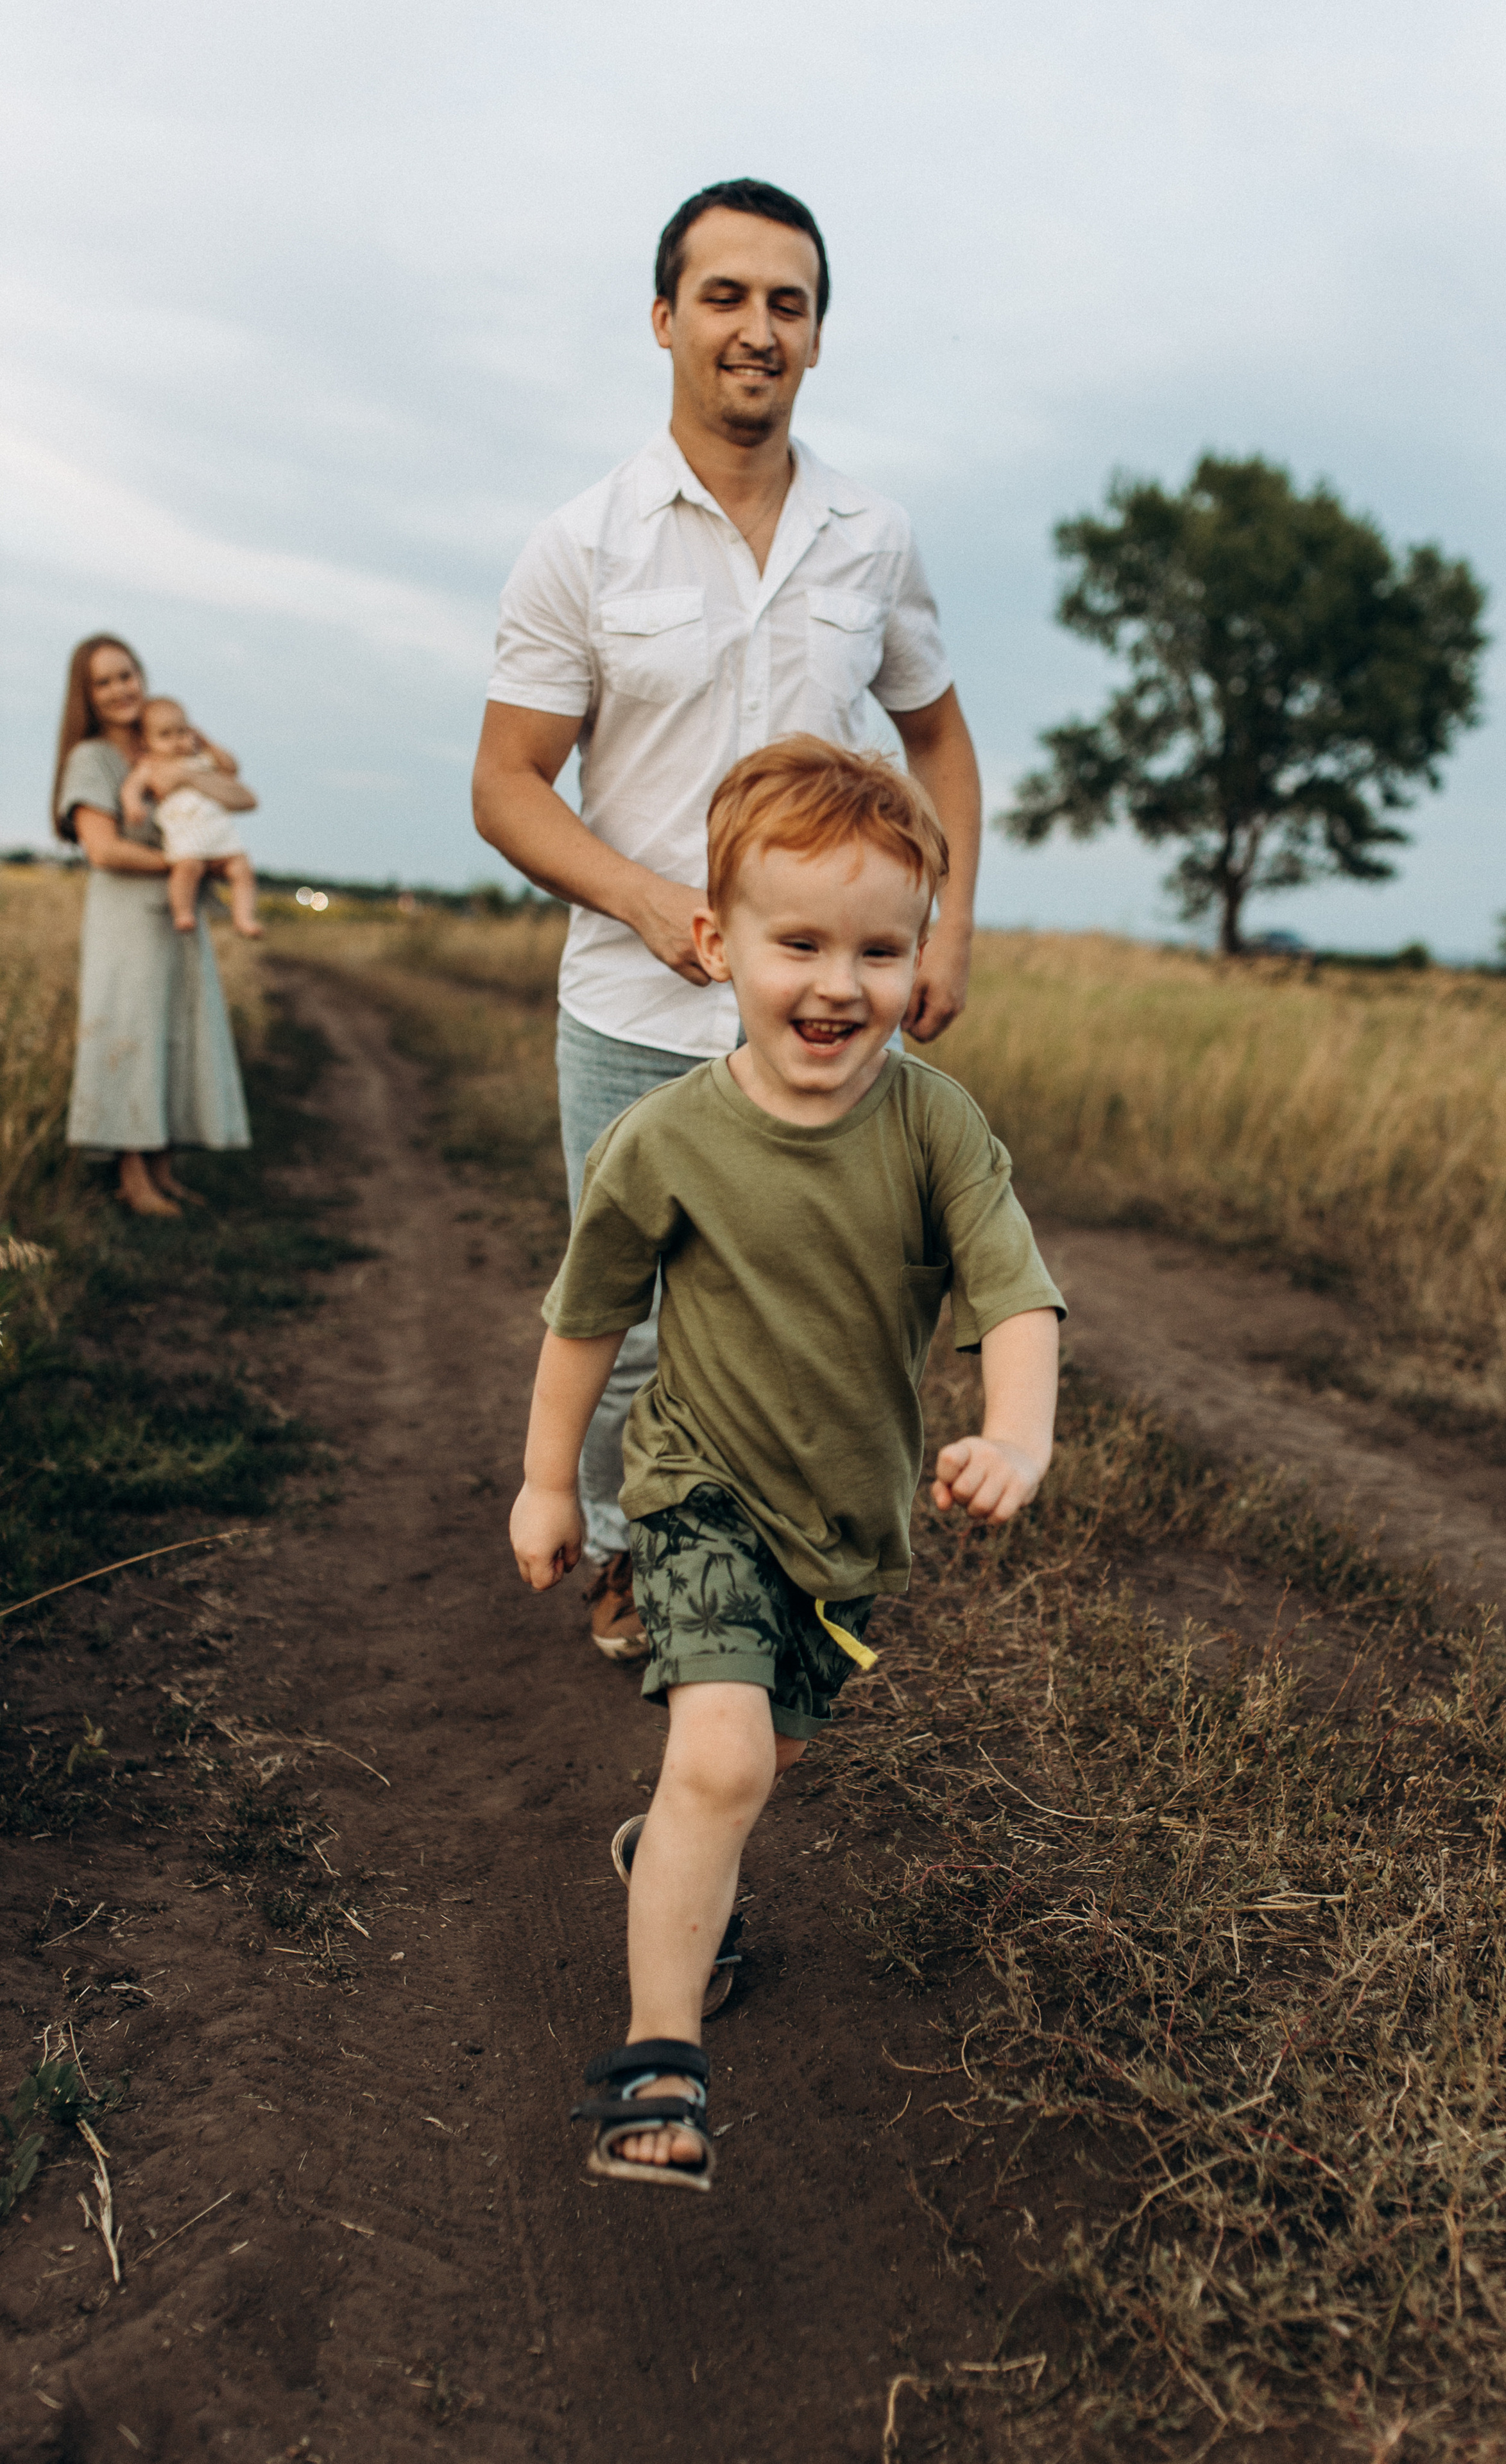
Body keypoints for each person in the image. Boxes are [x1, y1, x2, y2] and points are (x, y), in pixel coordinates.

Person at [509, 737, 1063, 2189]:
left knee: (753, 1763)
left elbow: (1013, 1295)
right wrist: (548, 1478)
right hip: (697, 1491)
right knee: (726, 1748)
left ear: (918, 954)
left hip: (843, 1527)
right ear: (716, 942)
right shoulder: (667, 1137)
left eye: (876, 947)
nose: (836, 981)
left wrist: (1015, 1431)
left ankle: (670, 1855)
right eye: (797, 940)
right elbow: (585, 1319)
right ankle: (658, 2064)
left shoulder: (933, 1122)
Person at [475, 176, 984, 1668]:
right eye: (724, 296)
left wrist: (944, 922)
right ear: (662, 319)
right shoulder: (583, 544)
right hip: (637, 1015)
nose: (755, 329)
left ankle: (784, 1566)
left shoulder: (870, 538)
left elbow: (937, 737)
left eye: (787, 302)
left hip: (821, 1011)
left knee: (810, 1310)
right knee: (632, 1322)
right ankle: (638, 1562)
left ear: (816, 338)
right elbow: (506, 785)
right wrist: (639, 895)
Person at [52, 635, 255, 1216]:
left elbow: (241, 797)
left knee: (175, 1032)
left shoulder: (168, 747)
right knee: (131, 1033)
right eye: (104, 682)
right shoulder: (91, 758)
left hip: (175, 914)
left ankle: (164, 1170)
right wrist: (187, 862)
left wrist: (195, 773)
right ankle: (132, 1177)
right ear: (86, 696)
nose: (120, 690)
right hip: (126, 917)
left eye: (127, 676)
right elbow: (104, 849)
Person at [125, 696, 265, 940]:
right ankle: (183, 912)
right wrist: (133, 804)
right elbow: (132, 787)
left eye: (182, 732)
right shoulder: (151, 766)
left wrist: (207, 742)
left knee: (242, 870)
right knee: (187, 869)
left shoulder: (201, 760)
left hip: (220, 834)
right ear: (146, 741)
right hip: (187, 836)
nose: (176, 741)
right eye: (165, 735)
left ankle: (244, 918)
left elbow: (231, 767)